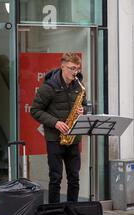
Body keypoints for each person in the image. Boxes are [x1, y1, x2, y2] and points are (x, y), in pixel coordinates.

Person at [31, 53, 85, 203]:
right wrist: (55, 122)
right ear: (62, 66)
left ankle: (73, 210)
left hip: (73, 138)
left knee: (74, 177)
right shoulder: (49, 87)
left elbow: (85, 105)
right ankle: (54, 212)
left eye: (77, 69)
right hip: (55, 138)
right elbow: (35, 110)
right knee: (55, 178)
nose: (75, 72)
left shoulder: (79, 86)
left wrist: (83, 110)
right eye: (72, 68)